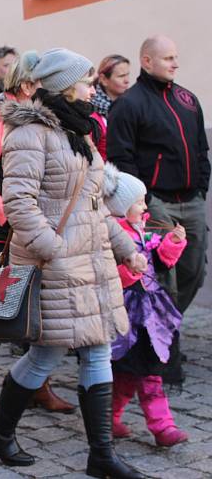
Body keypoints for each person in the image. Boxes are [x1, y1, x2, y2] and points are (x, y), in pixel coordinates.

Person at [0, 48, 146, 479]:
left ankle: (98, 454)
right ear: (63, 85)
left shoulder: (80, 134)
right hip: (55, 266)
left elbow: (93, 207)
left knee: (89, 349)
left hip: (89, 266)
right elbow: (18, 202)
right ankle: (4, 433)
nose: (93, 88)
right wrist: (53, 248)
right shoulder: (28, 134)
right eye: (87, 81)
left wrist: (126, 249)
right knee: (46, 354)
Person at [0, 51, 75, 414]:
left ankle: (38, 383)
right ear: (27, 86)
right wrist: (9, 217)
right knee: (1, 308)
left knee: (39, 307)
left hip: (32, 228)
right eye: (45, 85)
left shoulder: (43, 122)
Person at [107, 35, 209, 385]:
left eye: (176, 57)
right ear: (146, 61)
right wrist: (144, 204)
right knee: (166, 277)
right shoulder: (130, 103)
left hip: (191, 199)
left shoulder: (187, 99)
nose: (175, 63)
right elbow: (121, 159)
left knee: (194, 269)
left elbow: (200, 149)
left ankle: (160, 326)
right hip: (157, 202)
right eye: (167, 58)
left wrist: (201, 187)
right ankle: (163, 356)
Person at [102, 163, 189, 448]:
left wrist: (173, 243)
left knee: (142, 374)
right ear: (122, 206)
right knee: (134, 373)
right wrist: (132, 264)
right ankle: (134, 422)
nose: (144, 206)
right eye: (138, 202)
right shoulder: (116, 235)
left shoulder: (141, 231)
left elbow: (162, 260)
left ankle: (145, 423)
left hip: (152, 314)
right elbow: (117, 274)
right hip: (129, 315)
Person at [90, 55, 130, 160]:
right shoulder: (92, 112)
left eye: (127, 75)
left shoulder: (130, 107)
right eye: (121, 76)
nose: (127, 81)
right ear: (104, 79)